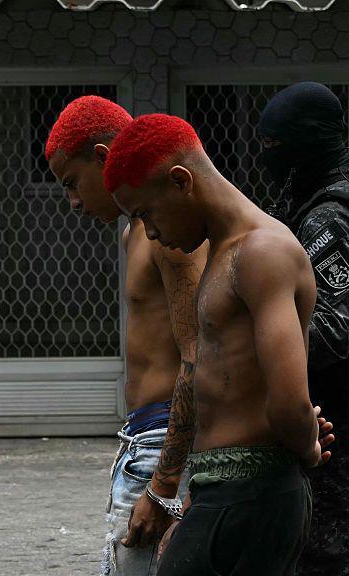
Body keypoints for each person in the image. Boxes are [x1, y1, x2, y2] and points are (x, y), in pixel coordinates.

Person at [105, 113, 335, 576]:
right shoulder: (224, 253)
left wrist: (308, 446)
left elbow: (290, 400)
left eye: (146, 213)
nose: (148, 233)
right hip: (224, 493)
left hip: (255, 495)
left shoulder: (262, 253)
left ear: (180, 181)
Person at [46, 96, 205, 575]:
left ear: (101, 156)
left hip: (163, 442)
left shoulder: (168, 232)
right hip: (143, 439)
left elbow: (200, 357)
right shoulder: (136, 229)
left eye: (72, 183)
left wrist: (166, 482)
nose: (72, 203)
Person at [258, 81, 349, 576]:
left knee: (326, 555)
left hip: (339, 411)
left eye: (275, 145)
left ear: (307, 143)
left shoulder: (330, 219)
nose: (266, 156)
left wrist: (257, 337)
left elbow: (332, 332)